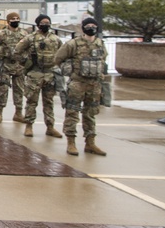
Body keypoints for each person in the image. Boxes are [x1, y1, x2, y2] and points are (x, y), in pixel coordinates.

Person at [55, 17, 109, 155]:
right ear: (83, 28)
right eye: (88, 25)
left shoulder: (100, 44)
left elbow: (104, 59)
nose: (91, 27)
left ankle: (90, 143)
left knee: (90, 114)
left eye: (93, 25)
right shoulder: (73, 44)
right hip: (77, 84)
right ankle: (71, 143)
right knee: (72, 113)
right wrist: (68, 69)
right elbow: (58, 58)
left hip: (94, 85)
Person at [15, 15, 64, 138]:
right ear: (37, 24)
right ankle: (29, 125)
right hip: (35, 73)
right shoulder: (30, 38)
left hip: (50, 74)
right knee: (32, 101)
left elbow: (62, 54)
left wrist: (58, 67)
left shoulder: (55, 39)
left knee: (48, 102)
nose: (45, 24)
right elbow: (17, 51)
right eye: (43, 22)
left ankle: (50, 127)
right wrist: (26, 63)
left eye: (47, 22)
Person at [0, 12, 27, 123]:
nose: (15, 21)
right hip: (5, 65)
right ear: (8, 21)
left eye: (17, 19)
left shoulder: (24, 34)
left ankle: (18, 113)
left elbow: (29, 48)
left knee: (19, 90)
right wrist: (1, 53)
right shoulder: (2, 34)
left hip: (19, 66)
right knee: (3, 90)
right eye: (13, 19)